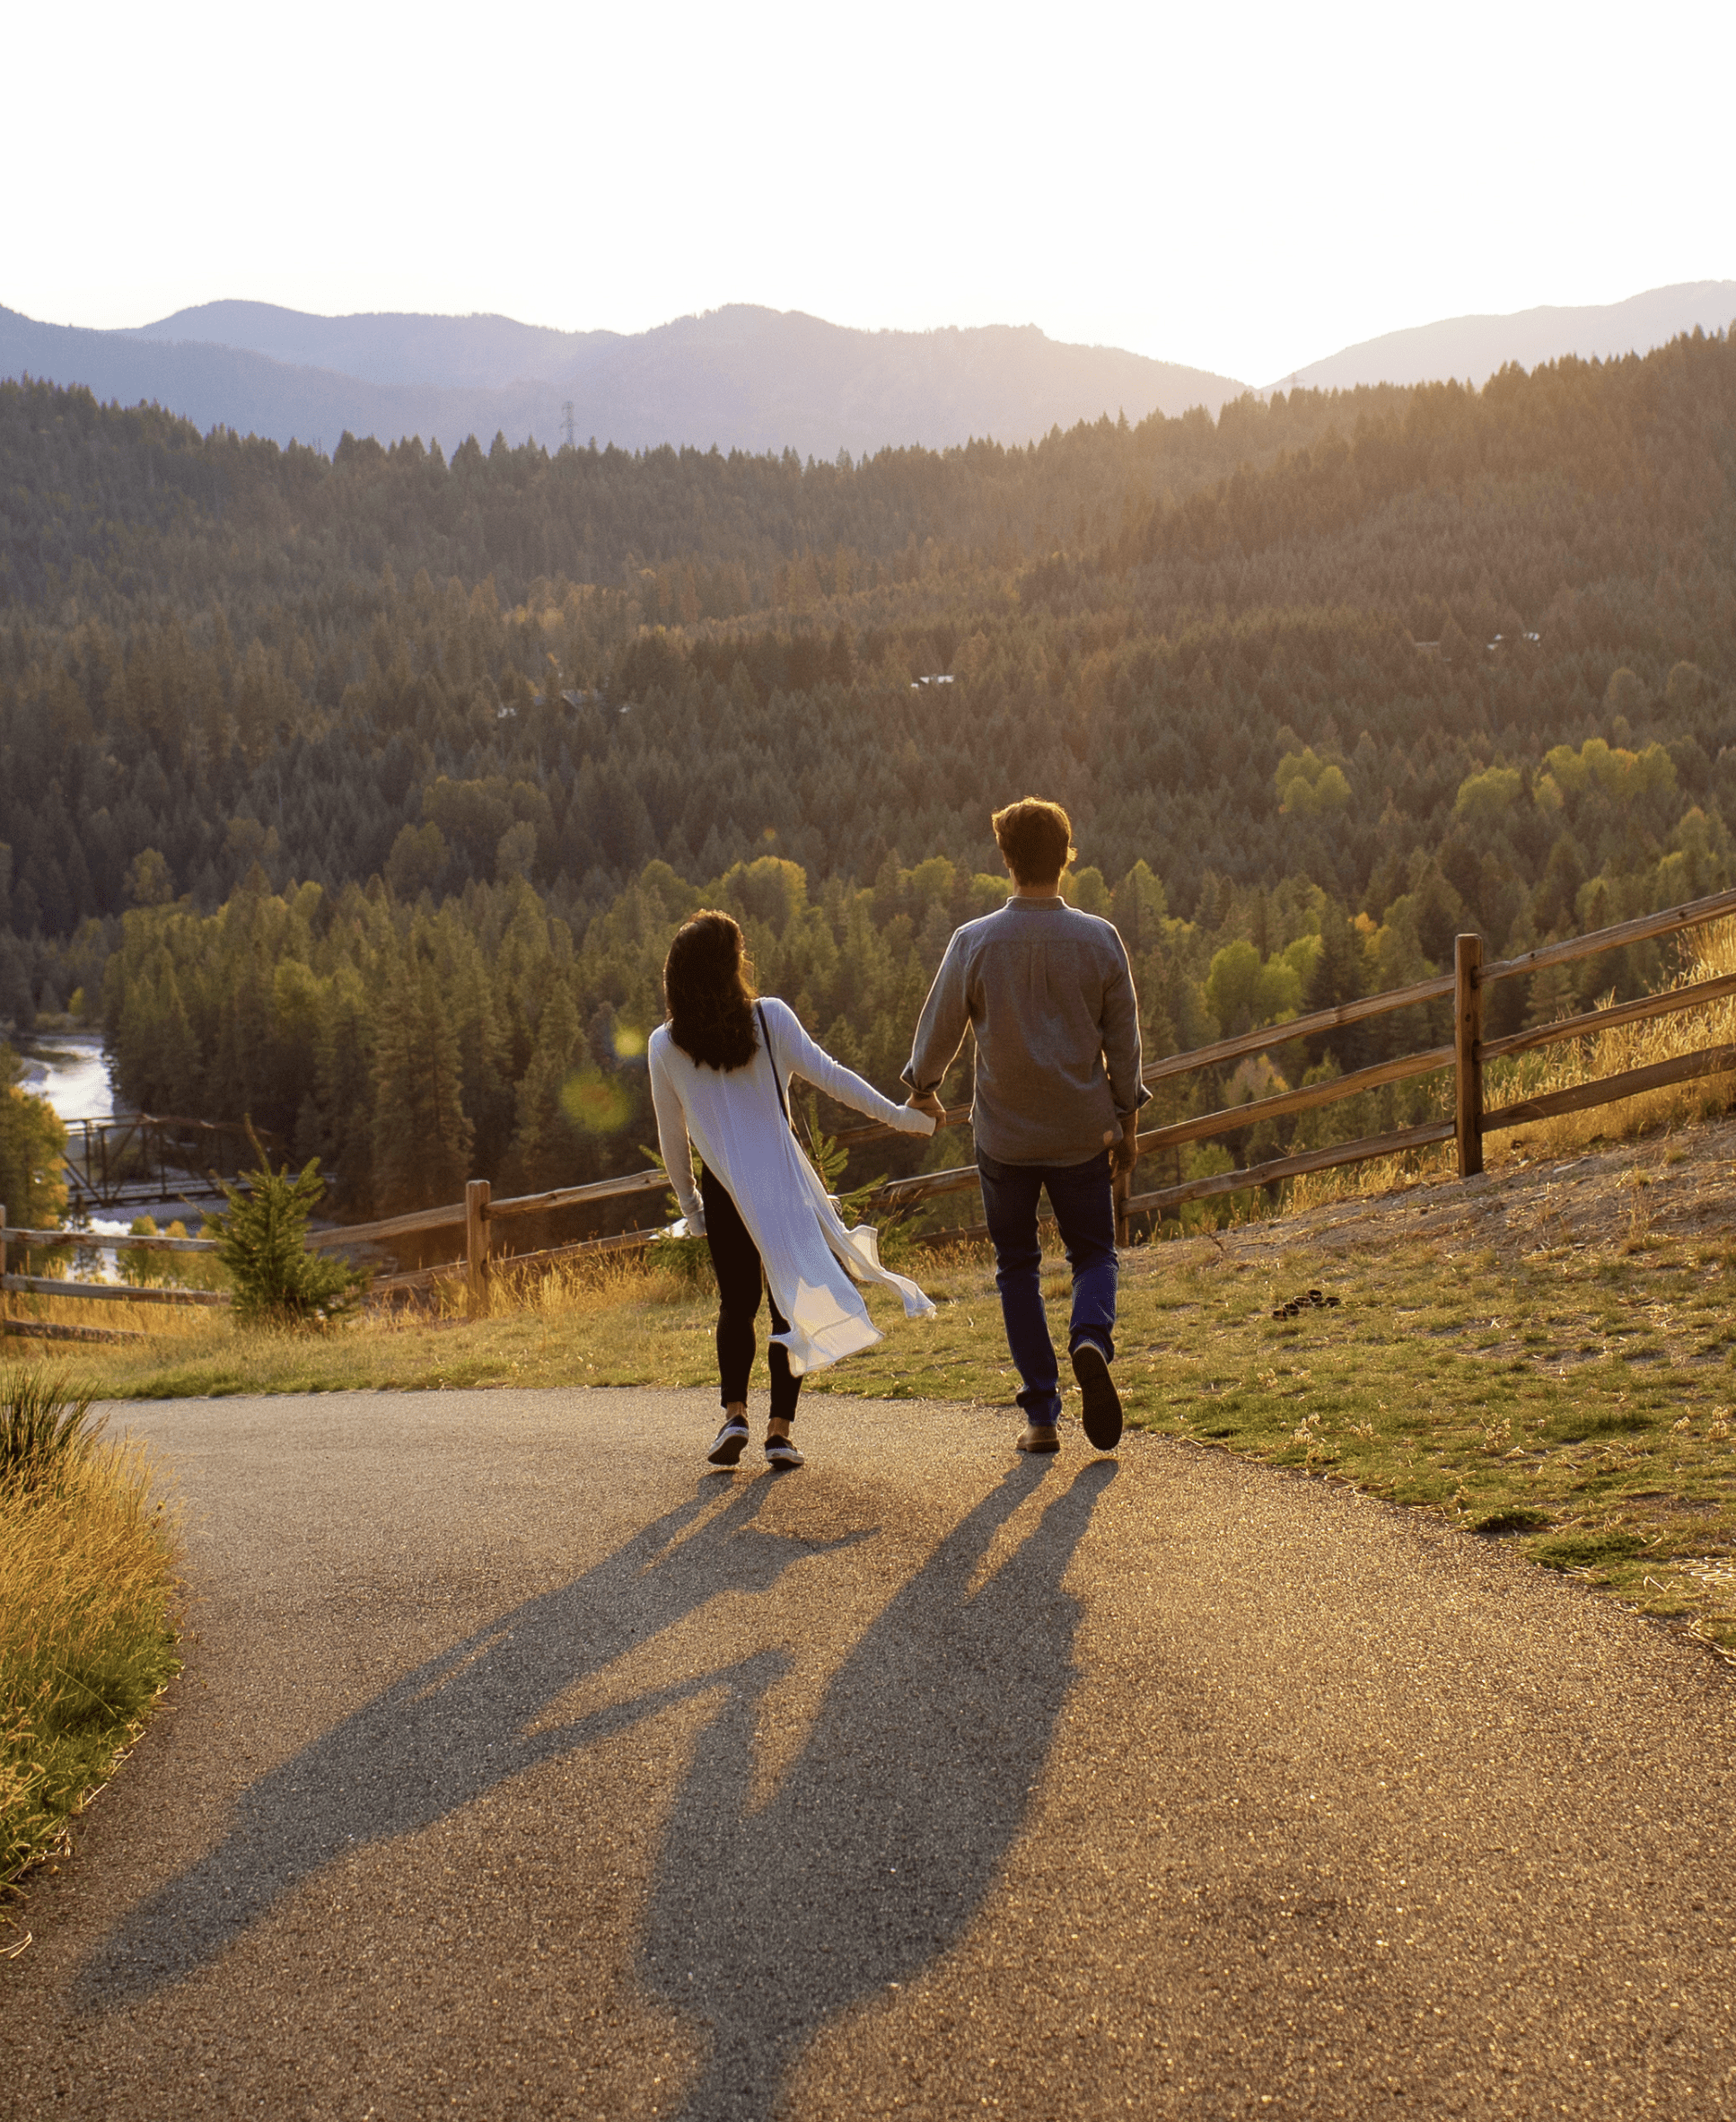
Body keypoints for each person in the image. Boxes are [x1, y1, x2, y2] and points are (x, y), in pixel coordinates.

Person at [649, 909, 938, 1470]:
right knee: (788, 1305)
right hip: (783, 1183)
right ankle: (780, 1432)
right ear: (731, 968)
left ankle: (734, 1414)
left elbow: (672, 1139)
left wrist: (692, 1207)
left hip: (725, 1190)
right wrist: (904, 1118)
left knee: (737, 1304)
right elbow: (834, 1078)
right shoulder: (769, 1018)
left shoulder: (666, 1044)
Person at [902, 798, 1148, 1455]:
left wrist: (923, 1088)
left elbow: (939, 1033)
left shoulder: (974, 941)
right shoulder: (1100, 940)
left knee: (1017, 1267)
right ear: (1067, 855)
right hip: (1080, 1132)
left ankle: (1042, 1415)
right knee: (1095, 1253)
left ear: (1005, 860)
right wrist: (1127, 1118)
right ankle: (1090, 1337)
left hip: (1005, 1138)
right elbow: (1124, 1044)